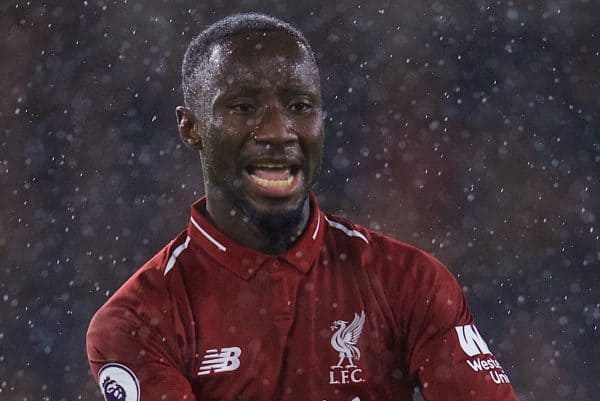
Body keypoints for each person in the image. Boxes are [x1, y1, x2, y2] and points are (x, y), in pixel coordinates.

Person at [86, 13, 519, 401]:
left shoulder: (410, 283)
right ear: (191, 127)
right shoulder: (136, 322)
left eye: (299, 106)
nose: (278, 131)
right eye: (244, 107)